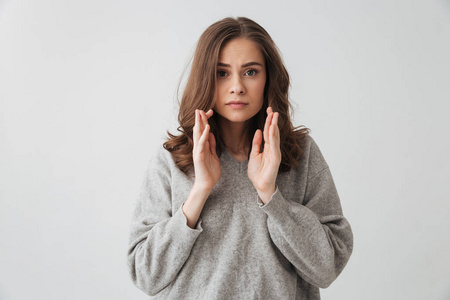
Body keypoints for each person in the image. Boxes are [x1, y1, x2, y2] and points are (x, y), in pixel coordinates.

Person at [127, 16, 353, 300]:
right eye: (222, 73)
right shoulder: (173, 160)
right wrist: (199, 192)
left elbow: (327, 268)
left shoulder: (301, 154)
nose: (237, 87)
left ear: (268, 78)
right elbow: (145, 275)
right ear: (205, 78)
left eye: (250, 72)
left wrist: (271, 196)